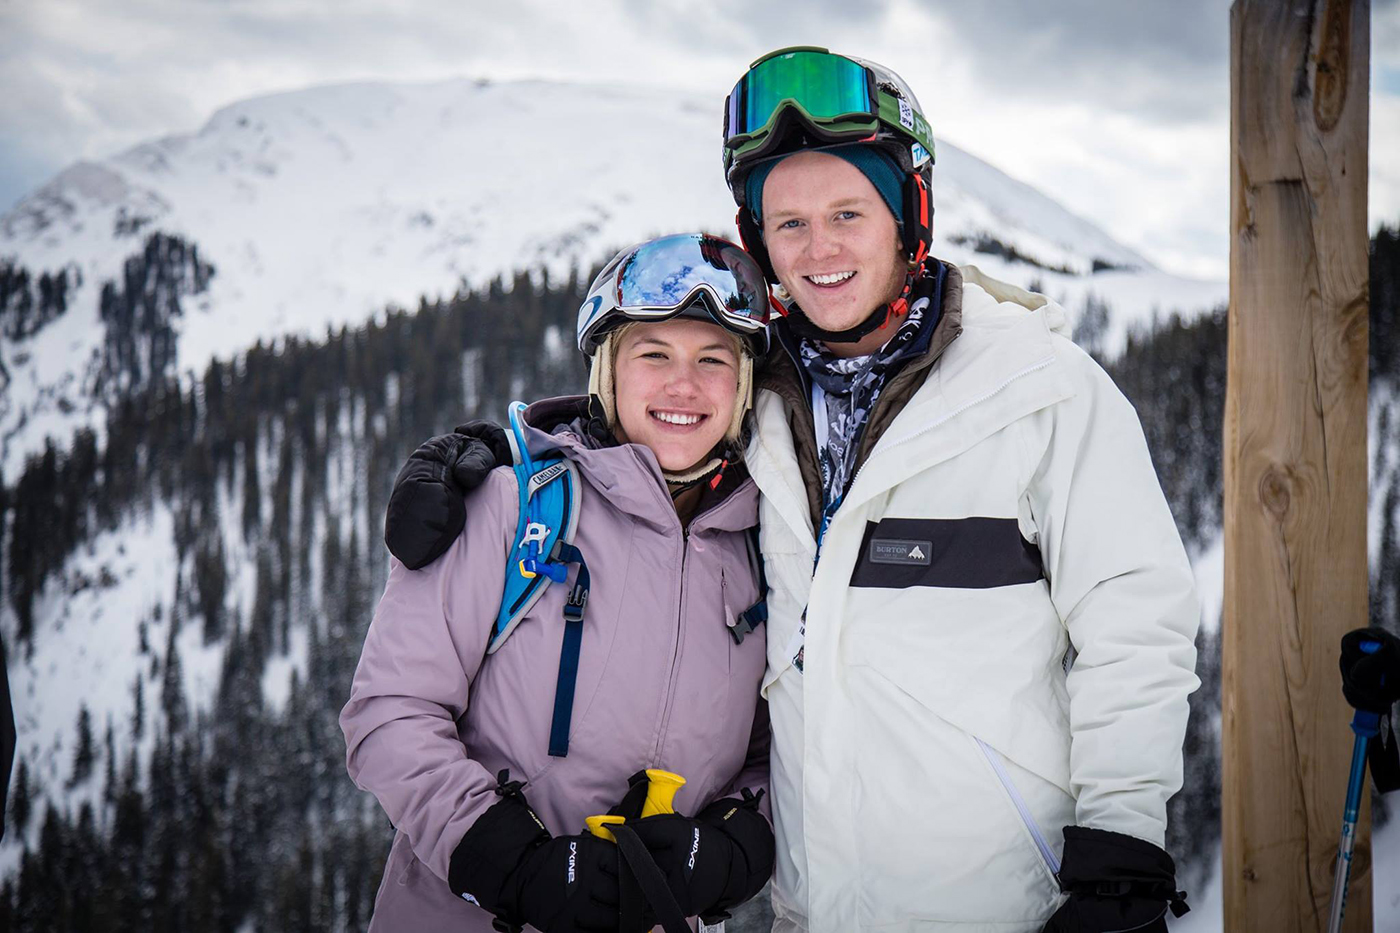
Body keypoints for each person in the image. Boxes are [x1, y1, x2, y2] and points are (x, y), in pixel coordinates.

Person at [383, 48, 1202, 933]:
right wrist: (484, 450)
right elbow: (644, 421)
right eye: (790, 223)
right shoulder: (762, 403)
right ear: (761, 242)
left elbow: (1134, 625)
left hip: (1001, 903)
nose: (820, 249)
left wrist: (1121, 860)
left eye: (848, 213)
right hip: (811, 910)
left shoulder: (1042, 393)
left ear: (906, 218)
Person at [341, 234, 777, 933]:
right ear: (607, 371)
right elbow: (389, 712)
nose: (683, 385)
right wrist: (510, 862)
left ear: (744, 386)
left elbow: (774, 750)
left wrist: (731, 843)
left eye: (713, 361)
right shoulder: (514, 509)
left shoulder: (762, 550)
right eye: (653, 354)